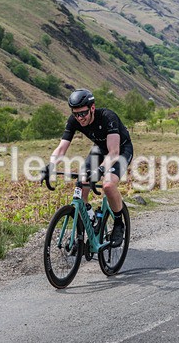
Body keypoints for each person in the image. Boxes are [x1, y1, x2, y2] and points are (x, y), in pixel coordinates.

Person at [45, 89, 134, 247]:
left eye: (83, 113)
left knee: (108, 184)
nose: (80, 118)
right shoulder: (74, 121)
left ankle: (119, 224)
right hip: (100, 149)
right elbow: (61, 149)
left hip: (120, 150)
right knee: (81, 181)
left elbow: (113, 152)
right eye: (76, 114)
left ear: (92, 108)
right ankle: (92, 218)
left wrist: (99, 170)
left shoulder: (108, 117)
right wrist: (50, 166)